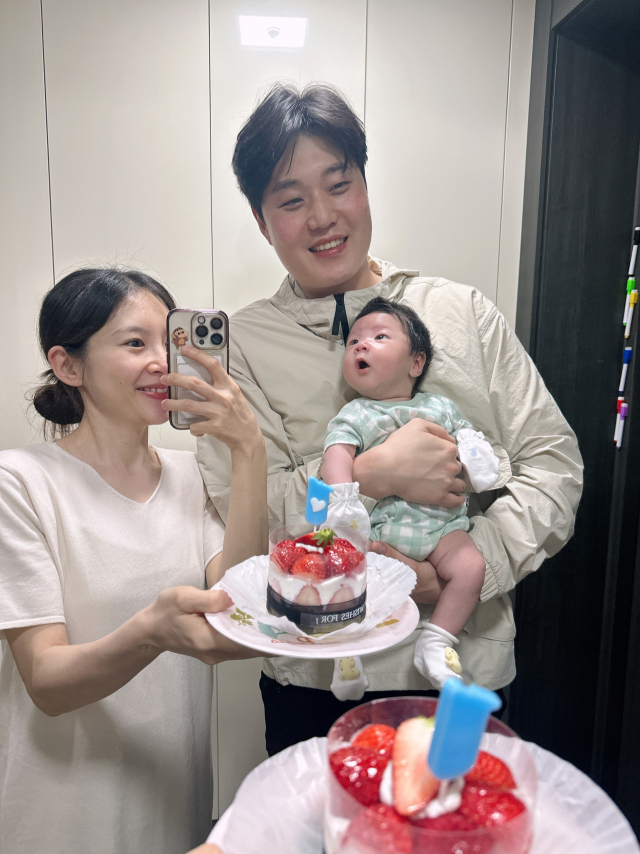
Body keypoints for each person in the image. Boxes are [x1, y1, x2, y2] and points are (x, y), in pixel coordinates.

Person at [196, 83, 584, 756]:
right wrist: (370, 475)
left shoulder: (462, 313)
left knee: (461, 811)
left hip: (458, 667)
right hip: (312, 677)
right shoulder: (242, 348)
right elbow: (240, 514)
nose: (323, 217)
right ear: (262, 221)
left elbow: (553, 467)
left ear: (365, 185)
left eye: (338, 184)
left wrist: (465, 570)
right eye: (291, 200)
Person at [0, 268, 268, 854]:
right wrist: (150, 631)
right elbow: (46, 681)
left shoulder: (191, 474)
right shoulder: (18, 483)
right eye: (134, 343)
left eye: (168, 342)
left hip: (173, 801)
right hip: (59, 819)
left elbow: (237, 605)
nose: (162, 362)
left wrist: (249, 451)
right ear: (69, 366)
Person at [322, 296, 499, 690]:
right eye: (353, 342)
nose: (361, 345)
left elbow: (466, 437)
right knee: (344, 574)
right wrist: (342, 499)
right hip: (381, 529)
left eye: (379, 337)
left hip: (443, 528)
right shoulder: (355, 413)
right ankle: (346, 650)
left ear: (416, 363)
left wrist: (478, 459)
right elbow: (336, 454)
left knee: (472, 568)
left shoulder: (440, 407)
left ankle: (436, 641)